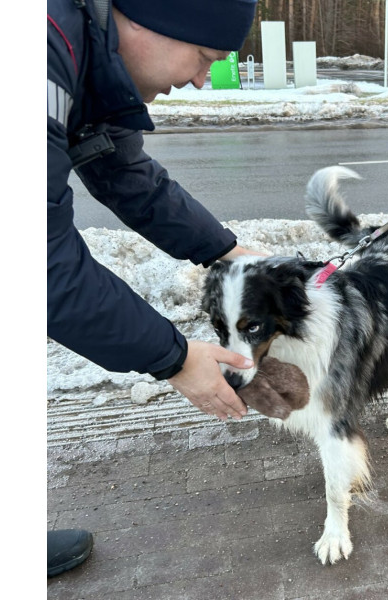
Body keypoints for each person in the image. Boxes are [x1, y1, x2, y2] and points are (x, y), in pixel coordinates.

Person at [47, 0, 260, 577]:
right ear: (150, 20)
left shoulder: (89, 56)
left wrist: (225, 250)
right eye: (203, 57)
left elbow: (127, 176)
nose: (197, 80)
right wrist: (174, 358)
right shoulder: (35, 43)